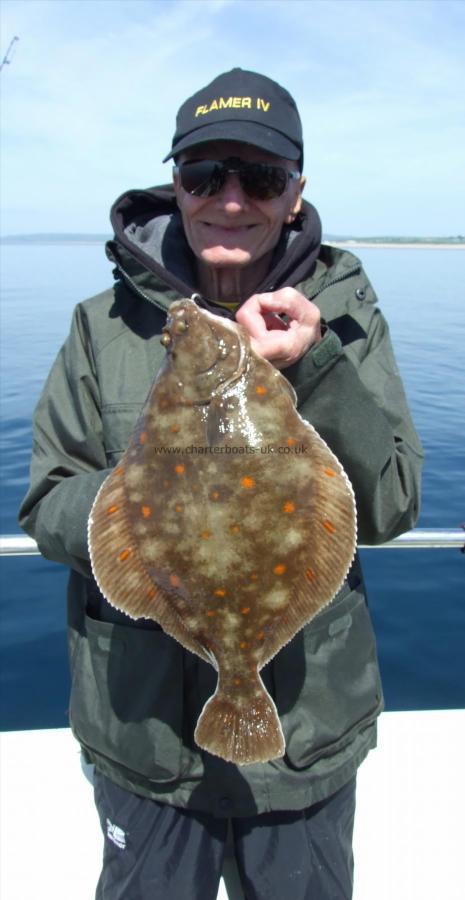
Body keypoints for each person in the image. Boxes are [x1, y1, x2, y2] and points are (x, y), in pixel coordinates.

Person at [19, 68, 423, 900]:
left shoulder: (343, 313)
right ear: (175, 185)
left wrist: (312, 366)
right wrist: (134, 510)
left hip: (305, 739)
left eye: (260, 178)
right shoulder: (100, 326)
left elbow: (387, 504)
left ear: (294, 194)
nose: (230, 201)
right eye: (205, 176)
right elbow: (45, 497)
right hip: (142, 735)